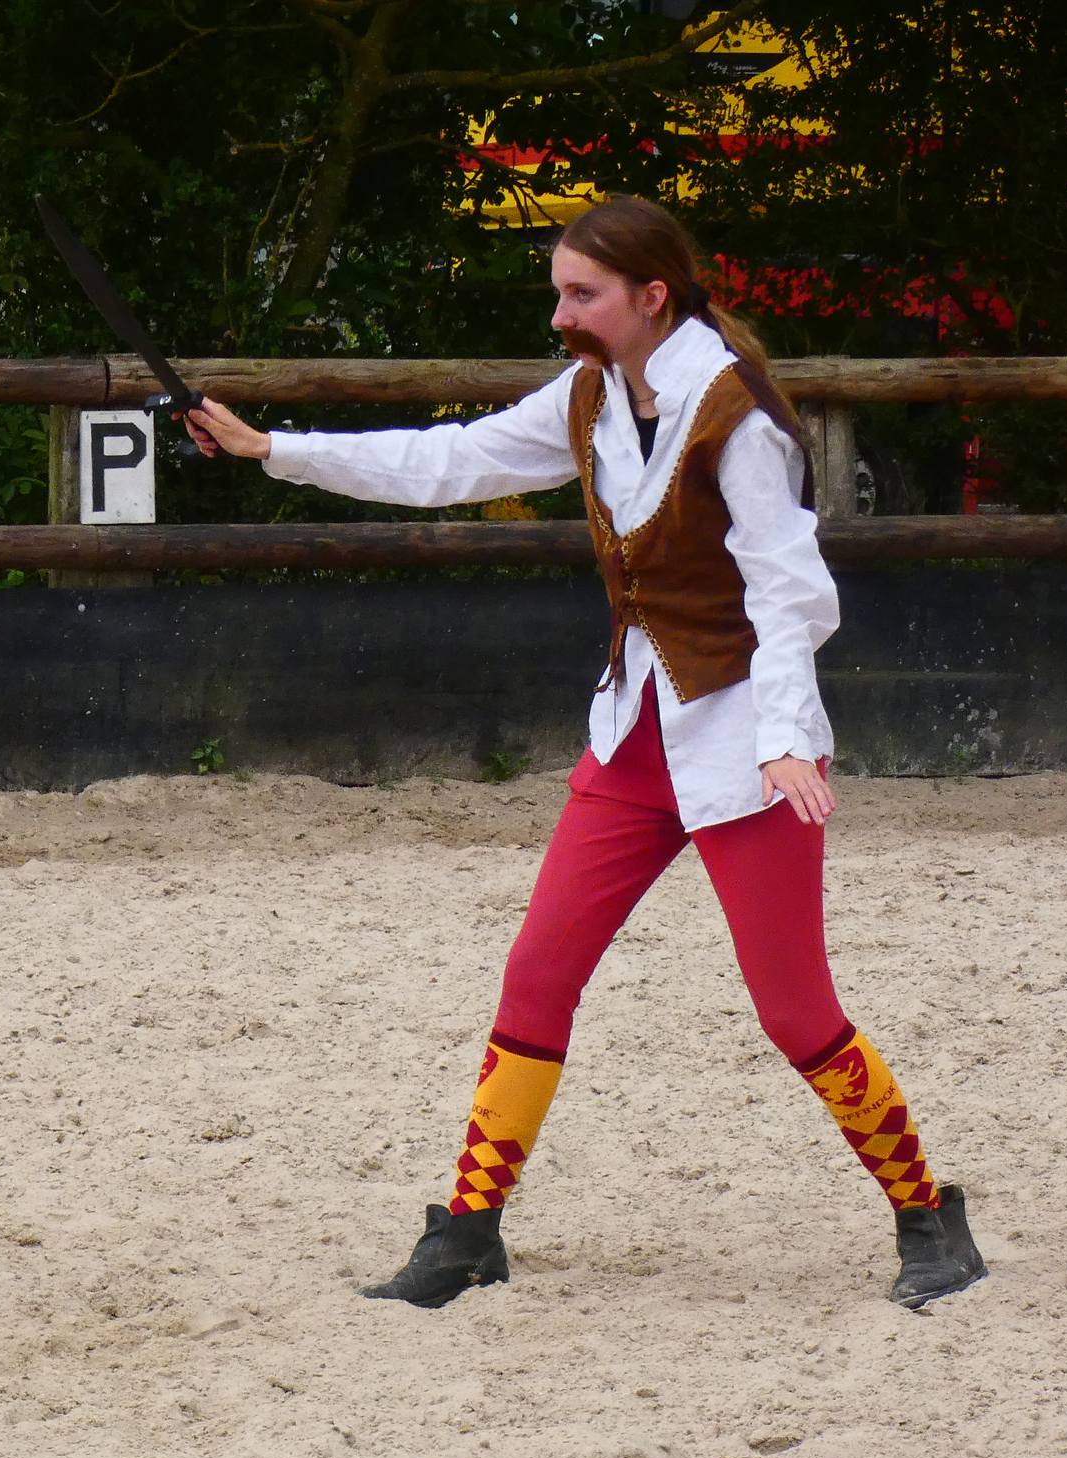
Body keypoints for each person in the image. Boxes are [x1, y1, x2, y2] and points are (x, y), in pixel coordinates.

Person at [183, 196, 986, 1311]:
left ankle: (928, 1213)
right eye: (559, 291)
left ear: (651, 296)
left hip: (741, 744)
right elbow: (451, 459)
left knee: (796, 1012)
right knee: (537, 975)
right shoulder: (590, 394)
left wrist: (788, 741)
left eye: (581, 294)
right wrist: (274, 449)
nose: (560, 314)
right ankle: (469, 1230)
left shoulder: (735, 415)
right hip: (631, 738)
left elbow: (789, 594)